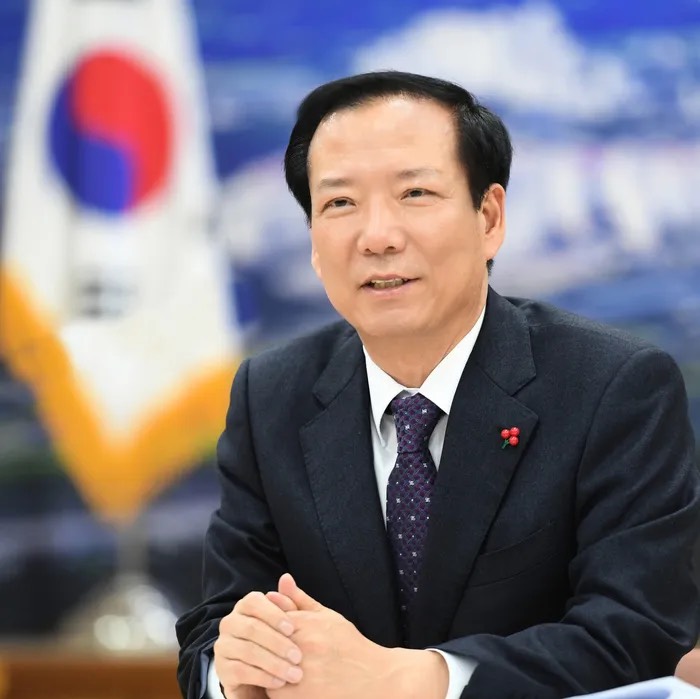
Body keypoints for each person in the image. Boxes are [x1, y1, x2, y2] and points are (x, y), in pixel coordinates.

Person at [176, 71, 700, 699]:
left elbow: (638, 635)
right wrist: (235, 672)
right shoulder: (270, 394)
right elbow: (215, 628)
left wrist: (418, 680)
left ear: (489, 218)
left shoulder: (614, 385)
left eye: (415, 193)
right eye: (339, 203)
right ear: (313, 239)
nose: (377, 237)